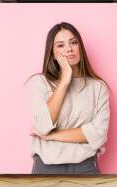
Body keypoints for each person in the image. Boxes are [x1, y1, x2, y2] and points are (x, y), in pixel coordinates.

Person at [25, 22, 110, 175]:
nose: (69, 49)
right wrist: (64, 82)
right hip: (46, 168)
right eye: (60, 45)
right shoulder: (40, 83)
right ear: (52, 54)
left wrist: (51, 136)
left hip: (86, 168)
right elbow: (43, 126)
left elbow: (98, 134)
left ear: (80, 47)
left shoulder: (98, 87)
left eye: (74, 42)